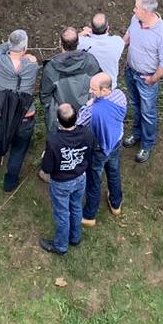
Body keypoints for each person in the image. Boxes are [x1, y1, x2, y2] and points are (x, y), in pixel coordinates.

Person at [123, 0, 163, 164]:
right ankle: (136, 134)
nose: (133, 9)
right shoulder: (135, 19)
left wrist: (153, 79)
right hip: (130, 72)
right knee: (135, 106)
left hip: (146, 80)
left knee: (148, 112)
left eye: (136, 7)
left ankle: (147, 143)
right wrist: (119, 46)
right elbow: (129, 34)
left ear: (145, 11)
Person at [38, 103, 94, 255]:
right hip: (80, 177)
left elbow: (47, 168)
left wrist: (45, 158)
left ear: (58, 120)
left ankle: (61, 246)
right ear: (76, 119)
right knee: (76, 206)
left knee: (62, 213)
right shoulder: (87, 133)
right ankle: (75, 237)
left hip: (61, 183)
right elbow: (89, 153)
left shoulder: (54, 140)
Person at [0, 30, 40, 192]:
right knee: (19, 149)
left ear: (10, 45)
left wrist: (11, 44)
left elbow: (1, 48)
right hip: (25, 117)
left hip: (2, 114)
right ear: (25, 48)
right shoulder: (32, 64)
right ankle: (10, 181)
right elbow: (23, 56)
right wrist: (26, 54)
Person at [79, 72, 127, 225]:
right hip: (115, 142)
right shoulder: (120, 96)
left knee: (93, 181)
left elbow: (78, 124)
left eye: (94, 89)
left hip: (99, 149)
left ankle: (89, 216)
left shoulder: (91, 111)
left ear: (105, 91)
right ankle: (115, 204)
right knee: (113, 172)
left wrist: (88, 105)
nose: (90, 92)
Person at [40, 27, 101, 131]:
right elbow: (100, 85)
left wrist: (53, 111)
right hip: (86, 115)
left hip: (62, 118)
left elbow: (45, 95)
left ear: (60, 43)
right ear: (78, 42)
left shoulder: (51, 67)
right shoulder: (90, 60)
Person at [78, 13, 125, 84]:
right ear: (107, 28)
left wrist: (82, 34)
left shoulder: (81, 42)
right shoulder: (118, 42)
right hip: (108, 87)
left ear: (91, 28)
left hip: (90, 87)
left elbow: (69, 42)